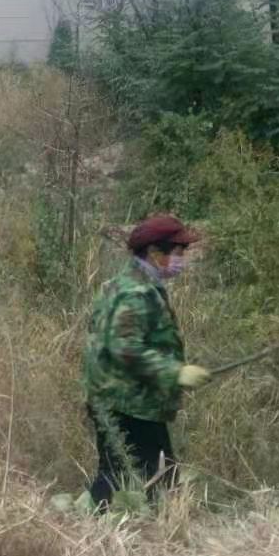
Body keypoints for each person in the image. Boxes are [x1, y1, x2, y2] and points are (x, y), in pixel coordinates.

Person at [82, 213, 210, 509]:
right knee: (153, 478)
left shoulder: (127, 283)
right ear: (154, 253)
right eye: (178, 253)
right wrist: (174, 372)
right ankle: (155, 532)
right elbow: (123, 347)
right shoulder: (135, 292)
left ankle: (100, 526)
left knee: (122, 474)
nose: (182, 259)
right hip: (127, 403)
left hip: (120, 397)